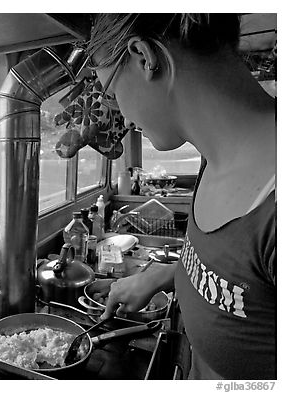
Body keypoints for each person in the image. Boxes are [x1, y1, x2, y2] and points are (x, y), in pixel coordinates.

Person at [87, 14, 276, 379]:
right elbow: (242, 283)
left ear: (144, 57)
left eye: (112, 93)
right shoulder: (216, 157)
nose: (122, 115)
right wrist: (169, 275)